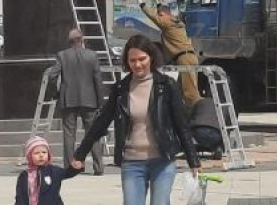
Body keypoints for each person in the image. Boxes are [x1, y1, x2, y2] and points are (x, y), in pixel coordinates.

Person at [71, 34, 200, 205]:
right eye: (132, 60)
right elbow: (101, 122)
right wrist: (80, 154)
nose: (138, 64)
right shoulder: (120, 89)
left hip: (163, 161)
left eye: (142, 59)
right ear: (127, 61)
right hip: (132, 163)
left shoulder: (167, 85)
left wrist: (193, 159)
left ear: (151, 58)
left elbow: (181, 124)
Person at [48, 28, 105, 175]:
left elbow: (52, 75)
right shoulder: (92, 55)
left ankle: (70, 167)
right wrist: (100, 101)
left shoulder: (62, 55)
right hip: (90, 98)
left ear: (69, 41)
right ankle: (98, 167)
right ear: (82, 40)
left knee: (68, 134)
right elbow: (98, 80)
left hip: (69, 98)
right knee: (93, 133)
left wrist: (56, 93)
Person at [140, 0, 201, 107]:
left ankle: (199, 114)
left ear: (164, 15)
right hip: (190, 57)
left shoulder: (167, 24)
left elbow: (155, 18)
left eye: (160, 15)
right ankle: (184, 115)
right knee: (180, 90)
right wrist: (158, 4)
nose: (159, 18)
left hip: (184, 59)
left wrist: (142, 5)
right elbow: (162, 13)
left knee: (190, 92)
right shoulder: (175, 22)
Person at [15, 135, 79, 205]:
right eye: (36, 153)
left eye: (44, 152)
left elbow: (68, 173)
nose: (41, 155)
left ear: (48, 154)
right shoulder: (24, 176)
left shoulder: (54, 171)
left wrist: (75, 167)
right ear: (29, 156)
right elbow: (20, 197)